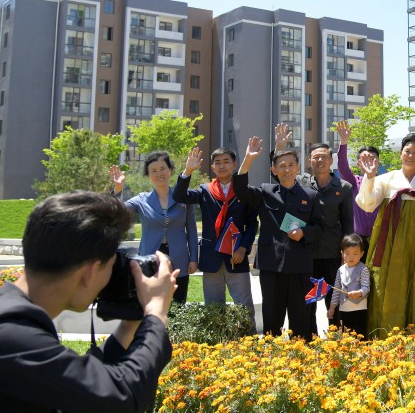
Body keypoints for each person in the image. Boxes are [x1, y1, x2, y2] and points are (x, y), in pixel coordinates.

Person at [0, 191, 177, 413]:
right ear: (90, 272)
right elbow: (124, 395)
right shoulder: (9, 333)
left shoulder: (8, 317)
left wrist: (128, 327)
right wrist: (156, 314)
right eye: (112, 266)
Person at [356, 133, 415, 336]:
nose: (411, 156)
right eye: (407, 151)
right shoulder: (385, 179)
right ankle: (387, 332)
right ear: (400, 154)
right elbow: (367, 204)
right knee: (389, 286)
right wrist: (369, 178)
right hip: (389, 243)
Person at [232, 136, 323, 338]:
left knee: (301, 319)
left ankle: (301, 360)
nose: (287, 169)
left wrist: (304, 233)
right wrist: (248, 159)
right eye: (282, 166)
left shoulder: (311, 195)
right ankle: (272, 362)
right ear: (274, 170)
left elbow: (319, 228)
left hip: (301, 266)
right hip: (271, 265)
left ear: (298, 167)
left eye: (291, 165)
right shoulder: (266, 192)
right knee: (272, 319)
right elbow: (239, 189)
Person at [173, 146, 259, 333]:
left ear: (235, 165)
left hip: (236, 257)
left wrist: (243, 248)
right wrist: (188, 170)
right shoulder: (206, 191)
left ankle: (250, 344)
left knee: (244, 306)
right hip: (211, 258)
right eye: (217, 163)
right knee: (213, 307)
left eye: (226, 161)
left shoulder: (246, 192)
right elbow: (179, 196)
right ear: (212, 167)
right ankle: (217, 345)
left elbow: (252, 224)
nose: (222, 166)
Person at [276, 124, 354, 328]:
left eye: (323, 157)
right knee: (307, 302)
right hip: (305, 253)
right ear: (309, 161)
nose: (319, 160)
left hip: (332, 253)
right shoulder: (300, 182)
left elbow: (347, 223)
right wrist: (280, 146)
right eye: (315, 157)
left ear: (331, 161)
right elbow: (279, 176)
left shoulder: (344, 188)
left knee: (334, 301)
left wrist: (347, 252)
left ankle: (338, 340)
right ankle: (308, 341)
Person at [109, 151, 198, 304]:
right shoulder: (141, 199)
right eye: (153, 171)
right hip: (149, 258)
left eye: (163, 168)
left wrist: (193, 259)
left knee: (178, 303)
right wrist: (117, 189)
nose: (159, 174)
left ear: (170, 170)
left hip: (179, 258)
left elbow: (192, 231)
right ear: (148, 175)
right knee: (150, 303)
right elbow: (116, 211)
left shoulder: (184, 197)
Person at [335, 120, 382, 243]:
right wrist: (344, 142)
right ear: (358, 164)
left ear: (379, 162)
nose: (369, 162)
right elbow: (343, 167)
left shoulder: (385, 182)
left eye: (372, 159)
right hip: (357, 240)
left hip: (380, 238)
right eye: (364, 159)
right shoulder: (354, 182)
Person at [326, 234, 370, 336]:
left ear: (362, 253)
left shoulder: (363, 269)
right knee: (346, 337)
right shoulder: (340, 270)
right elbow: (336, 290)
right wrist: (332, 307)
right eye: (347, 253)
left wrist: (359, 293)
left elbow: (366, 287)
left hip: (359, 309)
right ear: (342, 253)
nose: (351, 257)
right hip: (343, 310)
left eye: (355, 254)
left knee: (360, 336)